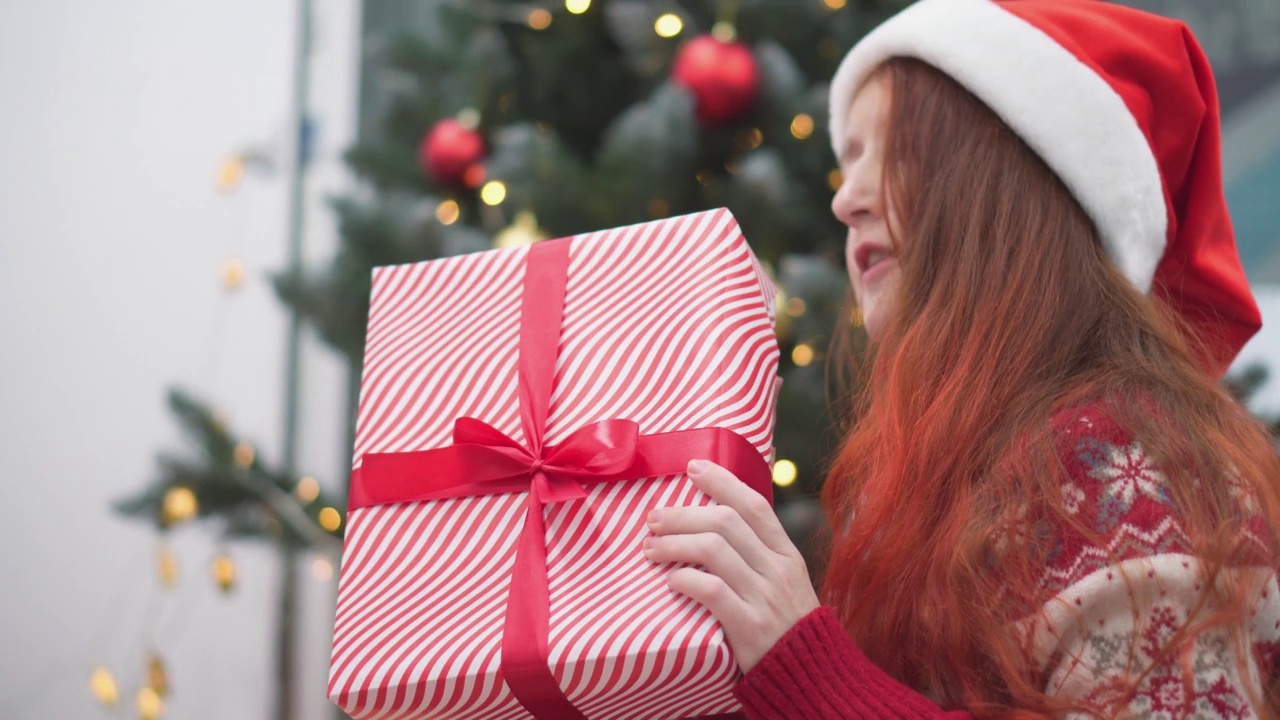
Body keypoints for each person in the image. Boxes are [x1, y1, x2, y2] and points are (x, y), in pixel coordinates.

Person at [642, 0, 1280, 717]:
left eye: (896, 152)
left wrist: (811, 673)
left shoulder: (1126, 465)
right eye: (847, 165)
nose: (846, 201)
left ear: (1011, 182)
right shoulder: (933, 484)